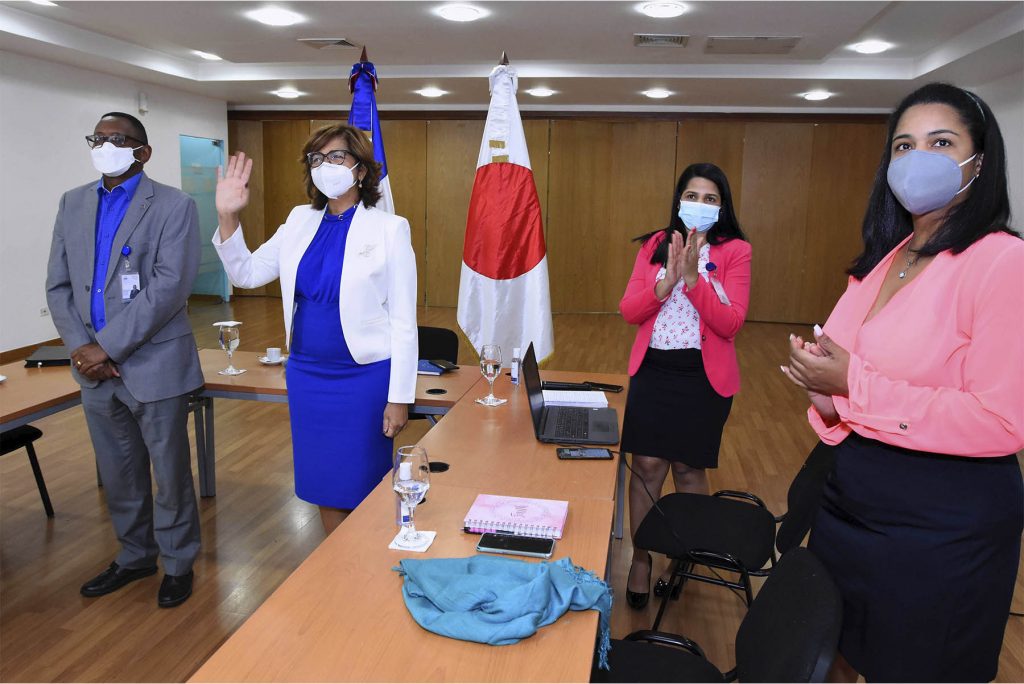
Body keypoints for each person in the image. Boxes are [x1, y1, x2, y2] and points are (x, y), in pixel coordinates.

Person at [783, 83, 1024, 682]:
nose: (918, 158)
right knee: (829, 655)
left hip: (940, 524)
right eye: (904, 145)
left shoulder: (1001, 262)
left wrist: (854, 385)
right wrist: (832, 399)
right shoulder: (888, 257)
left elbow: (1001, 422)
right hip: (853, 498)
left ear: (980, 162)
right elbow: (859, 383)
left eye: (941, 142)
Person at [213, 123, 417, 535]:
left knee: (362, 481)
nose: (326, 166)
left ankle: (369, 568)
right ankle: (337, 570)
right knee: (324, 482)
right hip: (307, 374)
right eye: (317, 159)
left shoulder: (389, 228)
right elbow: (247, 274)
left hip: (364, 377)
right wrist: (228, 216)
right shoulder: (298, 220)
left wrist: (400, 398)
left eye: (336, 157)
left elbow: (403, 321)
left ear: (360, 170)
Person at [45, 112, 203, 608]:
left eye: (117, 139)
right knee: (119, 473)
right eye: (98, 138)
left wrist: (107, 347)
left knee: (169, 472)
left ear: (143, 151)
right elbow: (59, 285)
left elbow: (169, 288)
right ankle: (135, 556)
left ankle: (177, 563)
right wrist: (82, 349)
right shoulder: (73, 203)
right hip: (93, 370)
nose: (105, 146)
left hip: (154, 364)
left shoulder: (174, 205)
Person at [618, 163, 752, 609]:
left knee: (690, 471)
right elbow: (630, 310)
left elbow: (730, 323)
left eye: (710, 198)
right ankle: (640, 559)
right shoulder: (656, 245)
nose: (700, 204)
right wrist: (667, 280)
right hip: (654, 371)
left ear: (722, 205)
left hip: (703, 379)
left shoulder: (736, 251)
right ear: (678, 200)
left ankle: (683, 559)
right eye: (692, 195)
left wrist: (694, 279)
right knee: (648, 466)